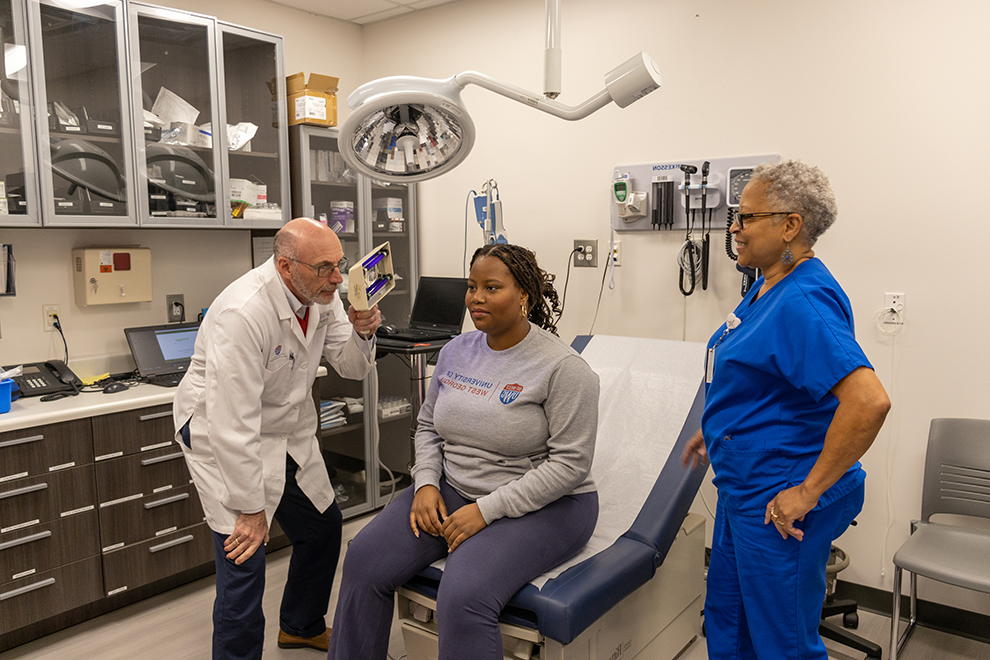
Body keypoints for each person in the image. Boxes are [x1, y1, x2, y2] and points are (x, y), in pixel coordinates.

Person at [327, 243, 600, 660]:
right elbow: (427, 428)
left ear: (524, 294)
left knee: (464, 592)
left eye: (492, 287)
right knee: (364, 560)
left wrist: (486, 510)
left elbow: (570, 465)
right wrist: (425, 484)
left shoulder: (563, 368)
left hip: (549, 504)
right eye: (472, 287)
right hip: (454, 487)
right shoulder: (456, 350)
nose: (476, 298)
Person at [681, 160, 891, 659]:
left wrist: (806, 493)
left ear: (790, 225)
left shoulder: (802, 298)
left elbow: (869, 402)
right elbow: (766, 378)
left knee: (782, 644)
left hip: (780, 502)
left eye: (746, 217)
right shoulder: (767, 283)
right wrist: (717, 430)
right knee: (730, 623)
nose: (733, 227)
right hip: (745, 489)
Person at [172, 217, 381, 660]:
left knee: (322, 528)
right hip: (219, 433)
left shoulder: (322, 293)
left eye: (339, 265)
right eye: (326, 267)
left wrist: (364, 331)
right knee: (244, 557)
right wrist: (250, 511)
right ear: (286, 267)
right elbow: (233, 422)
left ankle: (301, 627)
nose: (338, 278)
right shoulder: (242, 313)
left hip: (284, 427)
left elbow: (352, 367)